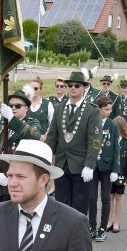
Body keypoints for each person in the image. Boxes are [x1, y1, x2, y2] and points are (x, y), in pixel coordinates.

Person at [0, 139, 92, 251]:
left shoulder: (73, 223)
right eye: (10, 176)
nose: (12, 183)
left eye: (21, 176)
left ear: (43, 180)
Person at [46, 71, 102, 215]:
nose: (72, 88)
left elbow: (95, 140)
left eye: (77, 85)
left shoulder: (92, 110)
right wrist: (44, 159)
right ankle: (63, 235)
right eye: (70, 85)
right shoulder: (59, 108)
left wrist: (89, 164)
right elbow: (52, 136)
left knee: (79, 205)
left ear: (84, 87)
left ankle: (78, 236)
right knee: (61, 204)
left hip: (81, 164)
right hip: (61, 163)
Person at [0, 86, 42, 204]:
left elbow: (34, 136)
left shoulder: (32, 123)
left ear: (26, 108)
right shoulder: (2, 126)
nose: (13, 108)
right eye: (10, 106)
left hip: (21, 184)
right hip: (1, 183)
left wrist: (12, 119)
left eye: (17, 106)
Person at [89, 96, 119, 242]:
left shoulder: (113, 126)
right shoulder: (92, 124)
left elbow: (115, 149)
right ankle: (91, 226)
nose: (109, 112)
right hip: (93, 166)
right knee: (92, 197)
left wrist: (115, 169)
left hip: (107, 167)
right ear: (99, 108)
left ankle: (102, 227)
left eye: (110, 109)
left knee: (105, 198)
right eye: (106, 109)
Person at [108, 116, 127, 234]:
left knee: (118, 196)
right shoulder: (109, 140)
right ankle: (109, 220)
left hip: (122, 173)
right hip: (109, 172)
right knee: (109, 196)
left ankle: (117, 221)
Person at [28, 77, 54, 141]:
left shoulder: (48, 104)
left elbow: (52, 123)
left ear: (40, 89)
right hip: (27, 139)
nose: (33, 90)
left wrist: (45, 135)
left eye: (36, 88)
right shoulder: (25, 103)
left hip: (42, 140)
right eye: (31, 88)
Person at [112, 76, 127, 141]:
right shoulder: (114, 99)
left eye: (125, 88)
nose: (122, 89)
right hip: (115, 128)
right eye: (121, 88)